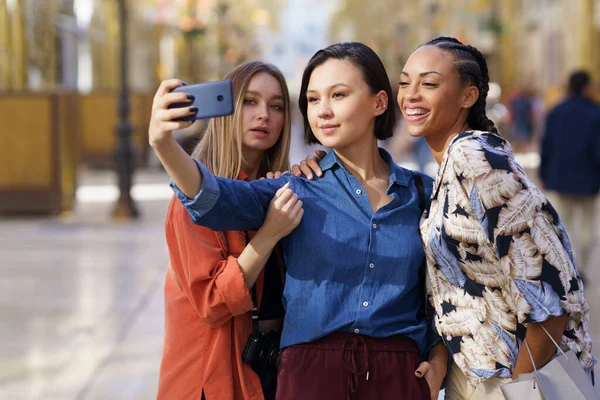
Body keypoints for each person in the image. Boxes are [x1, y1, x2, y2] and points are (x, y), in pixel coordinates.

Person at [296, 37, 596, 400]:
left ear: (467, 96)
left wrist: (516, 387)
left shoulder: (476, 161)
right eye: (405, 82)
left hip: (507, 378)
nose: (411, 95)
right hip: (475, 372)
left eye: (430, 84)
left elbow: (549, 295)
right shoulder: (450, 166)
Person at [150, 42, 448, 400]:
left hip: (397, 376)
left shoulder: (423, 193)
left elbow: (448, 291)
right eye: (312, 99)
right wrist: (164, 144)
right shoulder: (294, 189)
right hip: (282, 375)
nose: (323, 111)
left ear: (379, 102)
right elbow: (212, 198)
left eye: (338, 95)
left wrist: (440, 355)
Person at [153, 61, 301, 400]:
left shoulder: (276, 190)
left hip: (269, 373)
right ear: (226, 109)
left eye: (276, 106)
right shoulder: (195, 200)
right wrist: (268, 236)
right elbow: (214, 303)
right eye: (250, 101)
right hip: (213, 380)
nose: (264, 114)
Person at [540, 70, 600, 282]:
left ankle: (569, 266)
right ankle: (581, 265)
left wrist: (544, 172)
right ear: (587, 87)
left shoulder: (556, 111)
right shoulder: (595, 113)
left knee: (564, 223)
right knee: (587, 227)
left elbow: (546, 144)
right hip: (589, 178)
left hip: (561, 177)